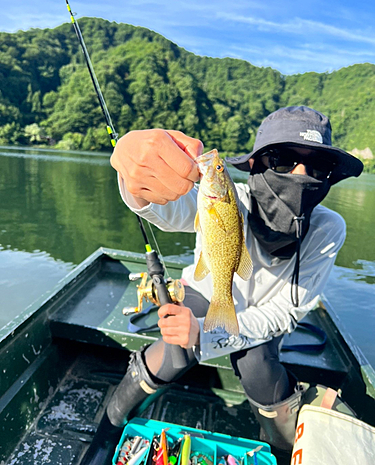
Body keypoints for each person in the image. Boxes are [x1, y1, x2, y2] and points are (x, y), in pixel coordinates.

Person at [86, 106, 364, 461]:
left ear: (328, 178)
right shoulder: (230, 198)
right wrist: (135, 176)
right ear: (253, 167)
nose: (299, 175)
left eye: (317, 167)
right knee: (174, 349)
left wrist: (206, 333)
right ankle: (109, 426)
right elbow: (166, 209)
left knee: (257, 366)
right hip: (205, 292)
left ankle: (281, 448)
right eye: (281, 159)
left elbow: (284, 313)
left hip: (265, 319)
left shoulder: (327, 229)